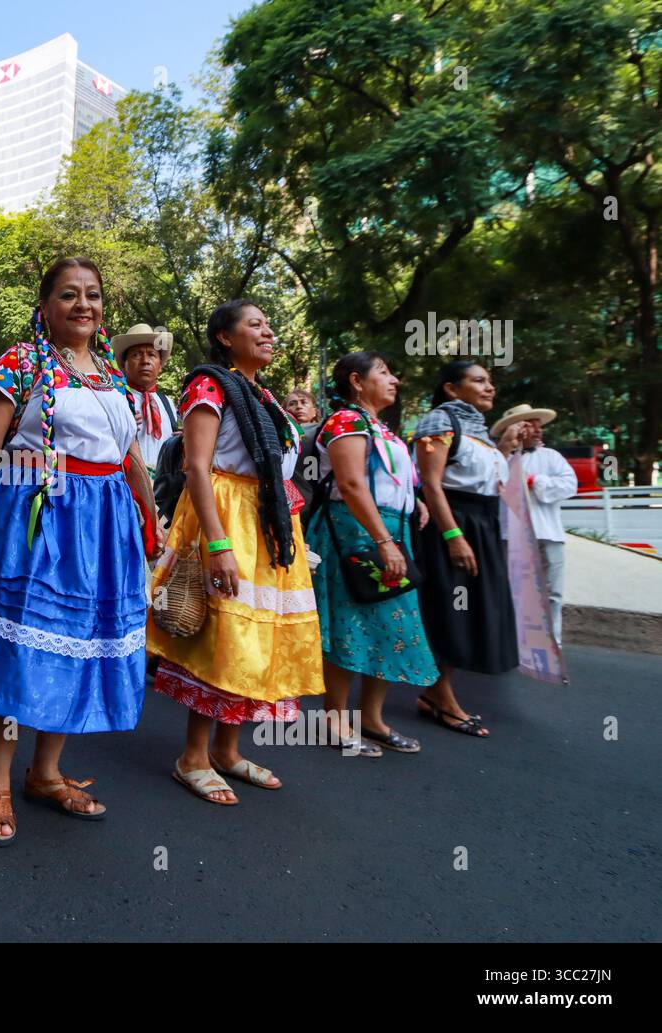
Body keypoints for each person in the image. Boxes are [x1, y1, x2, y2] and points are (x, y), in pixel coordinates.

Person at [0, 256, 158, 846]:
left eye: (92, 294)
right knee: (22, 648)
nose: (83, 305)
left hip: (105, 525)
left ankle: (46, 772)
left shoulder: (111, 373)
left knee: (79, 646)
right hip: (40, 519)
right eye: (68, 295)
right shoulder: (22, 362)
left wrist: (150, 519)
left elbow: (128, 454)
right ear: (46, 305)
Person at [147, 299, 324, 805]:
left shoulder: (263, 398)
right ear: (225, 337)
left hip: (268, 531)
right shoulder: (209, 386)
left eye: (269, 324)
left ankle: (228, 751)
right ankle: (193, 758)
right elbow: (197, 468)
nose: (268, 331)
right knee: (222, 636)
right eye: (255, 324)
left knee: (253, 640)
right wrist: (218, 543)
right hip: (229, 524)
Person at [307, 352, 438, 757]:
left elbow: (390, 479)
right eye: (383, 372)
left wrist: (411, 503)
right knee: (352, 623)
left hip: (388, 531)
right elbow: (349, 483)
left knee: (389, 623)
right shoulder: (347, 421)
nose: (394, 379)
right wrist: (382, 540)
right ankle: (332, 718)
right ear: (356, 382)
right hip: (355, 533)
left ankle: (372, 718)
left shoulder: (381, 427)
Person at [414, 360, 529, 738]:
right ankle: (439, 696)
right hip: (454, 522)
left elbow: (489, 482)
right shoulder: (438, 422)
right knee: (450, 607)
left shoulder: (479, 431)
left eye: (490, 381)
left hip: (483, 524)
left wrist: (505, 448)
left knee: (471, 608)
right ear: (451, 388)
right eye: (479, 380)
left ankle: (437, 691)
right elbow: (431, 485)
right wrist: (453, 537)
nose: (489, 387)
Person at [491, 403, 577, 644]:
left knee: (553, 590)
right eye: (530, 426)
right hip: (511, 534)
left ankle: (551, 638)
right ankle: (513, 638)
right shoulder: (498, 458)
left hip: (549, 533)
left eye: (539, 427)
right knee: (513, 587)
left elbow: (570, 486)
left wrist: (535, 481)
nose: (538, 431)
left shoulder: (552, 457)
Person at [114, 323, 178, 476]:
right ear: (123, 365)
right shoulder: (116, 399)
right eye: (136, 355)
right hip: (128, 481)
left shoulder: (167, 403)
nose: (145, 361)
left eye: (152, 355)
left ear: (160, 365)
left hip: (164, 488)